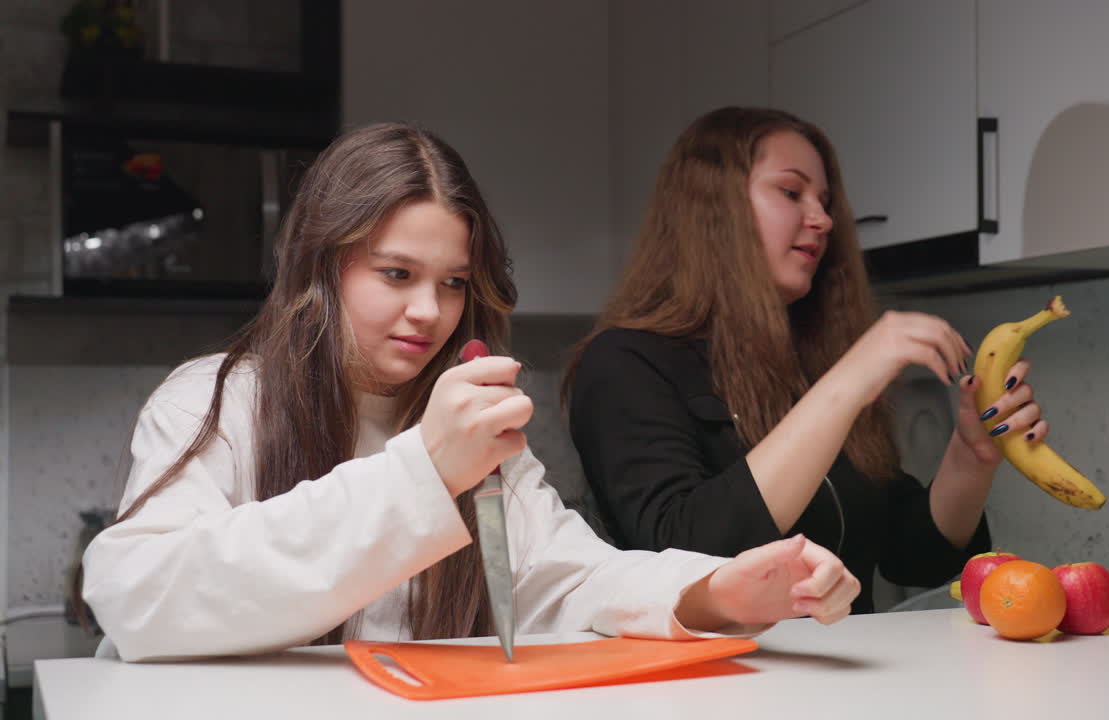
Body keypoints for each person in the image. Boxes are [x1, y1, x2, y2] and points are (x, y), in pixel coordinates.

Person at [80, 122, 859, 663]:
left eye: (453, 283)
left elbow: (571, 575)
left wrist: (713, 591)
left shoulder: (466, 420)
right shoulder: (213, 402)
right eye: (396, 275)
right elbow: (140, 598)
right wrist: (425, 469)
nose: (431, 311)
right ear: (321, 266)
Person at [564, 107, 1052, 613]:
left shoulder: (810, 358)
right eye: (792, 193)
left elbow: (912, 557)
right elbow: (683, 551)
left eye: (825, 200)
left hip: (838, 680)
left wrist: (970, 457)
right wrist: (848, 382)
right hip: (711, 684)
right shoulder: (625, 362)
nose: (822, 219)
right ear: (713, 210)